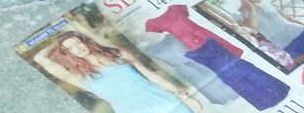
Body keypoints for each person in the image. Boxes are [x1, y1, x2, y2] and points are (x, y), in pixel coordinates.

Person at [35, 31, 202, 113]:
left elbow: (151, 75)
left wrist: (184, 96)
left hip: (169, 105)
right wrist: (57, 44)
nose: (77, 49)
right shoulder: (80, 77)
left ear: (85, 41)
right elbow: (40, 58)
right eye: (70, 49)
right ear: (68, 54)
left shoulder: (118, 54)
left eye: (78, 43)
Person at [230, 0, 304, 62]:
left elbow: (288, 18)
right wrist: (251, 7)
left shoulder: (265, 4)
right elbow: (253, 25)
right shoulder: (237, 14)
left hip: (297, 31)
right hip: (284, 42)